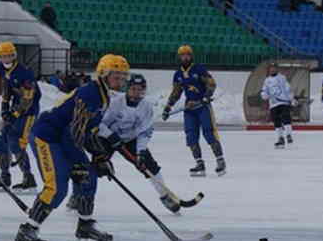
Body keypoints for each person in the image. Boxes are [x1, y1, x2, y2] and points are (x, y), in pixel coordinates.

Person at [14, 55, 130, 241]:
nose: (120, 81)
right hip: (47, 136)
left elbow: (89, 130)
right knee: (57, 187)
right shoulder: (90, 93)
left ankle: (85, 225)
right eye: (116, 76)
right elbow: (75, 131)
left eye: (122, 77)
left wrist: (100, 156)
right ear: (103, 74)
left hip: (65, 138)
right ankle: (28, 229)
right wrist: (87, 158)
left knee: (88, 177)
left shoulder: (103, 95)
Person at [86, 74, 189, 214]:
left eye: (140, 89)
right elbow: (100, 123)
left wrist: (140, 152)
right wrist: (111, 136)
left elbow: (144, 132)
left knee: (149, 165)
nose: (136, 92)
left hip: (130, 140)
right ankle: (81, 197)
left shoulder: (146, 107)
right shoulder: (115, 102)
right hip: (107, 138)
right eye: (133, 89)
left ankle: (165, 196)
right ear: (127, 89)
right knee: (96, 167)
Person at [161, 45, 226, 177]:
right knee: (191, 135)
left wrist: (206, 97)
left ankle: (220, 161)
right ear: (179, 57)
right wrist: (168, 107)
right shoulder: (178, 74)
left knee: (209, 133)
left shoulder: (199, 69)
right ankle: (199, 163)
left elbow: (211, 83)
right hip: (189, 109)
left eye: (188, 55)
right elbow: (176, 92)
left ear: (191, 56)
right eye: (182, 55)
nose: (185, 57)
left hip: (202, 107)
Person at [0, 42, 40, 194]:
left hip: (28, 112)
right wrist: (4, 107)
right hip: (15, 109)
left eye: (9, 55)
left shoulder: (25, 72)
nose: (6, 59)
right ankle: (5, 177)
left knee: (16, 141)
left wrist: (14, 113)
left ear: (14, 55)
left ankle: (28, 179)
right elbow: (6, 89)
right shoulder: (3, 70)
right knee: (1, 143)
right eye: (3, 56)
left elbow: (28, 99)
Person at [261, 63, 296, 148]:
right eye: (271, 68)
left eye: (274, 68)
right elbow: (264, 91)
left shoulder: (282, 78)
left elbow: (288, 89)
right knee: (276, 121)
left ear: (277, 69)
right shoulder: (267, 80)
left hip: (283, 102)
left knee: (286, 117)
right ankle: (280, 138)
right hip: (273, 104)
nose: (272, 70)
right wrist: (264, 95)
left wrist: (292, 99)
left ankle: (288, 134)